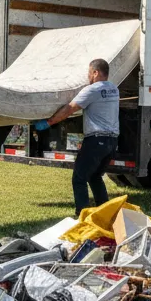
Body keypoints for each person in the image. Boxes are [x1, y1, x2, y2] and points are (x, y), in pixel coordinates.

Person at [34, 58, 120, 216]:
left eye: (89, 73)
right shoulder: (114, 89)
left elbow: (69, 109)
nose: (88, 77)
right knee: (95, 176)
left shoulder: (92, 90)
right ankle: (107, 213)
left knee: (79, 178)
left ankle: (83, 214)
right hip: (112, 142)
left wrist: (48, 122)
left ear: (96, 72)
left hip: (96, 140)